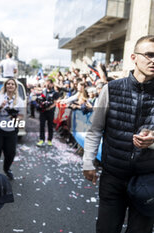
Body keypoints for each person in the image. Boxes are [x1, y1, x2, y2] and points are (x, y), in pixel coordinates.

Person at [83, 35, 154, 233]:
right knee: (106, 229)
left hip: (148, 179)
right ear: (134, 57)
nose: (153, 60)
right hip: (113, 176)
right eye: (149, 55)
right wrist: (88, 162)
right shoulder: (111, 89)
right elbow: (95, 128)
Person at [0, 78, 24, 180]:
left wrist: (15, 117)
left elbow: (21, 115)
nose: (10, 85)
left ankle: (7, 168)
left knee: (10, 153)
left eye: (12, 84)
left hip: (11, 131)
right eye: (8, 84)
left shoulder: (19, 101)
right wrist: (0, 107)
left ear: (15, 87)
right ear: (5, 86)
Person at [36, 79, 59, 146]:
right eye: (46, 84)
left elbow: (55, 103)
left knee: (50, 126)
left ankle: (49, 140)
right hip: (43, 111)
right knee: (42, 125)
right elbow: (40, 99)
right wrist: (40, 103)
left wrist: (49, 107)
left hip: (50, 112)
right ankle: (41, 139)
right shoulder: (43, 91)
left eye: (49, 84)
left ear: (52, 84)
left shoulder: (55, 93)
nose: (47, 85)